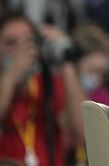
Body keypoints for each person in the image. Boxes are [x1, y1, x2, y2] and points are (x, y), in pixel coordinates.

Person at [0, 13, 85, 166]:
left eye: (28, 41)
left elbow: (83, 134)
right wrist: (10, 78)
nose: (22, 50)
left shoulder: (48, 83)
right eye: (11, 43)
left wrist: (66, 62)